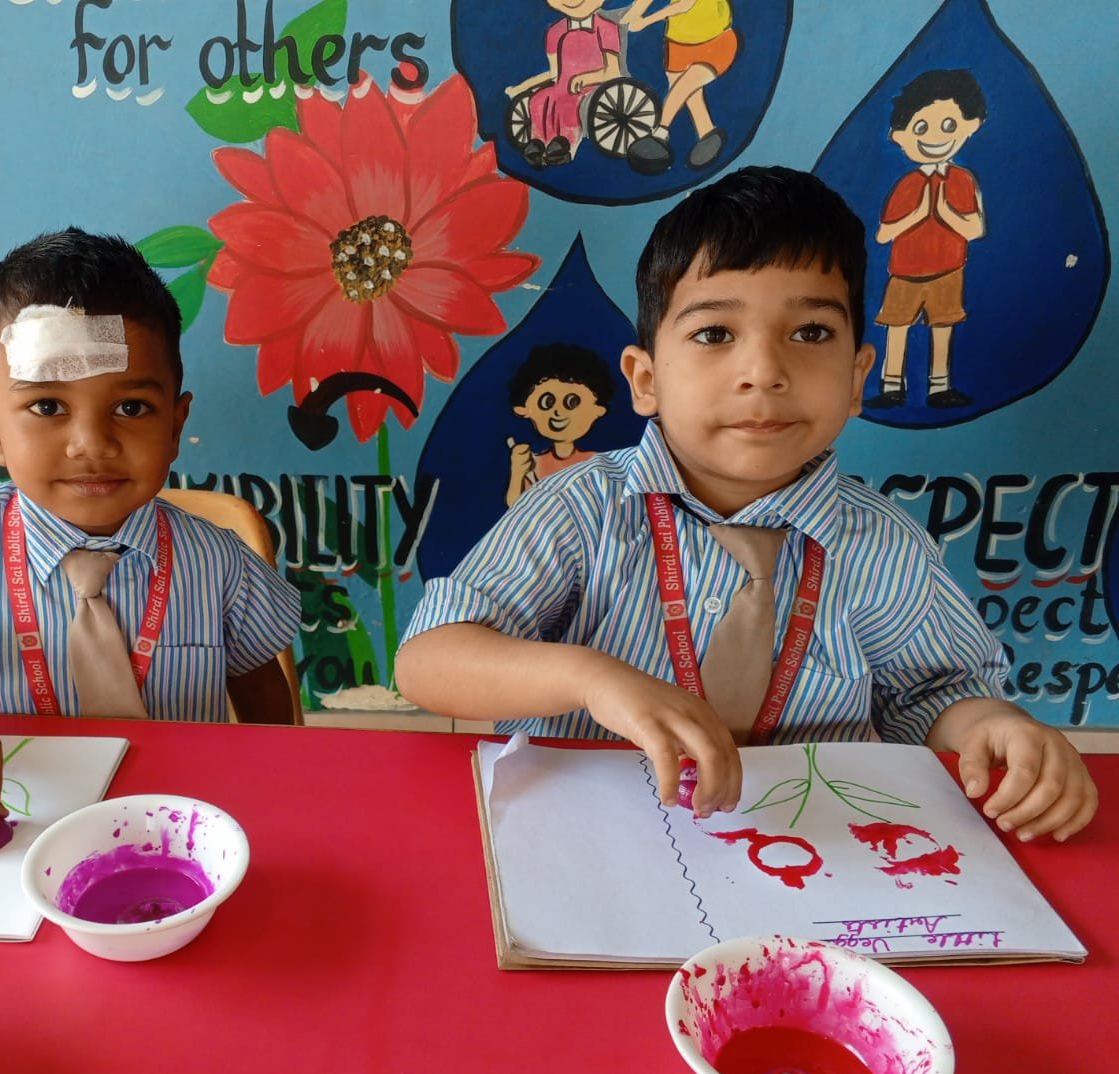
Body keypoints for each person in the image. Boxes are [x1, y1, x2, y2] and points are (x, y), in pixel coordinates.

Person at [396, 166, 1095, 843]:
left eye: (811, 332)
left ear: (858, 377)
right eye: (715, 334)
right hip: (597, 839)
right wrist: (589, 677)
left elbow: (935, 695)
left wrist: (994, 727)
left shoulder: (886, 545)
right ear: (645, 379)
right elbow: (429, 661)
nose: (764, 372)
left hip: (819, 848)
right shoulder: (582, 508)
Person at [0, 229, 301, 851]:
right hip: (15, 824)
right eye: (47, 406)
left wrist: (280, 788)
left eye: (131, 408)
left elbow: (261, 691)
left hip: (182, 827)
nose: (91, 444)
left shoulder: (220, 562)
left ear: (176, 424)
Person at [867, 68, 987, 410]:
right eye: (921, 128)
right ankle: (892, 385)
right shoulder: (907, 185)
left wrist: (945, 212)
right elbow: (884, 233)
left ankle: (940, 385)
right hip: (905, 272)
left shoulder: (963, 180)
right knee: (897, 326)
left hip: (948, 269)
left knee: (943, 324)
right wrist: (918, 213)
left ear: (970, 125)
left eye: (948, 125)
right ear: (899, 136)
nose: (935, 136)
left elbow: (974, 229)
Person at [623, 0, 739, 174]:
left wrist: (645, 21)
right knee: (690, 95)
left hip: (715, 41)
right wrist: (625, 19)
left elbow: (685, 4)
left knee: (682, 89)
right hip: (678, 45)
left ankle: (660, 132)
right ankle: (707, 133)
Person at [506, 0, 624, 168]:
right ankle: (539, 142)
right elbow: (553, 73)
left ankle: (566, 144)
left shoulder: (606, 28)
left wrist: (586, 78)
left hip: (593, 87)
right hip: (562, 86)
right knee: (539, 99)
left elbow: (613, 72)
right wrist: (522, 87)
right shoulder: (555, 32)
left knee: (570, 102)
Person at [505, 342, 613, 506]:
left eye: (572, 402)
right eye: (547, 402)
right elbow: (515, 507)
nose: (558, 412)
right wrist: (517, 474)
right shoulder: (532, 464)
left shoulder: (597, 463)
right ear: (523, 409)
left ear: (598, 410)